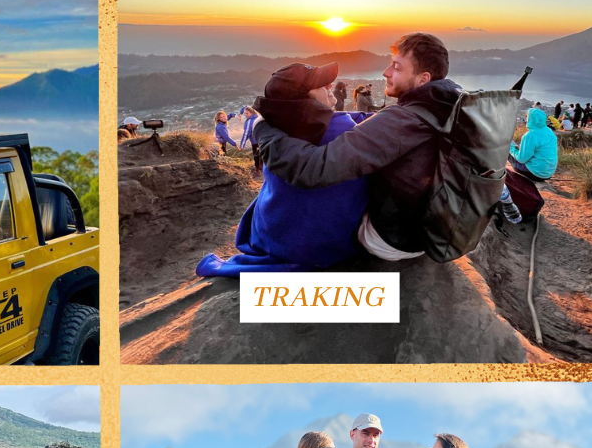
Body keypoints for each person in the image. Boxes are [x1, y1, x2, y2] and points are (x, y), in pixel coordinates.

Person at [255, 32, 462, 262]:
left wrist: (262, 129)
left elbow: (312, 169)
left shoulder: (401, 121)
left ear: (423, 79)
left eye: (396, 67)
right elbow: (387, 126)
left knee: (344, 185)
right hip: (430, 227)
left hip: (393, 239)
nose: (386, 72)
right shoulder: (447, 104)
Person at [196, 63, 368, 276]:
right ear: (304, 100)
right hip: (328, 247)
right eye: (322, 84)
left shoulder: (278, 134)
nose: (329, 85)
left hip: (275, 238)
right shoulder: (342, 130)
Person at [509, 107, 558, 181]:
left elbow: (521, 159)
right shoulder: (549, 131)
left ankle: (500, 175)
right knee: (515, 147)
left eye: (527, 117)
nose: (526, 120)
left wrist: (510, 148)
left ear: (532, 119)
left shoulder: (530, 135)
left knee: (507, 148)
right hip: (548, 173)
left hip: (534, 173)